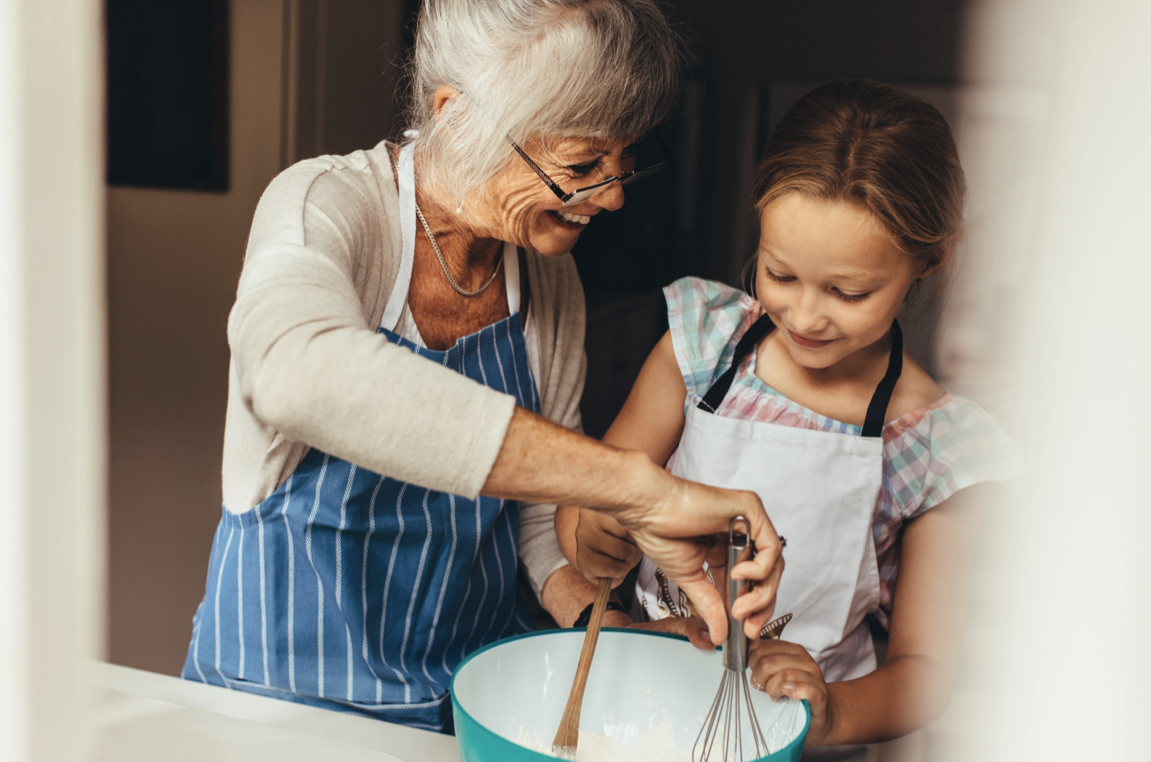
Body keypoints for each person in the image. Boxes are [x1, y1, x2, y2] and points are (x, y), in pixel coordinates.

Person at [181, 0, 784, 734]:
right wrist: (638, 488)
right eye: (582, 165)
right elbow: (292, 373)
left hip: (464, 704)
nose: (615, 195)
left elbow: (532, 522)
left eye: (625, 162)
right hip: (273, 712)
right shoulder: (328, 207)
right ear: (456, 116)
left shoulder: (547, 280)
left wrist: (609, 624)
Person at [557, 79, 1023, 759]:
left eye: (848, 291)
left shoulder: (934, 444)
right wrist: (594, 534)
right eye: (779, 274)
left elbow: (923, 673)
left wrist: (829, 712)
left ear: (929, 258)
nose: (805, 316)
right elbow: (589, 512)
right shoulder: (702, 347)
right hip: (642, 719)